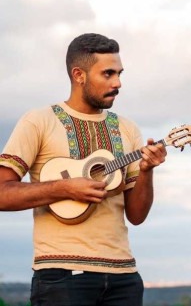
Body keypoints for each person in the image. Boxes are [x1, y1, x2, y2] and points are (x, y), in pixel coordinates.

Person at [0, 33, 167, 306]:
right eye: (108, 74)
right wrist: (63, 188)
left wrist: (147, 170)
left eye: (120, 73)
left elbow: (137, 216)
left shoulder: (128, 128)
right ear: (79, 75)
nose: (118, 83)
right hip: (61, 276)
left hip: (123, 275)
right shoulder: (38, 121)